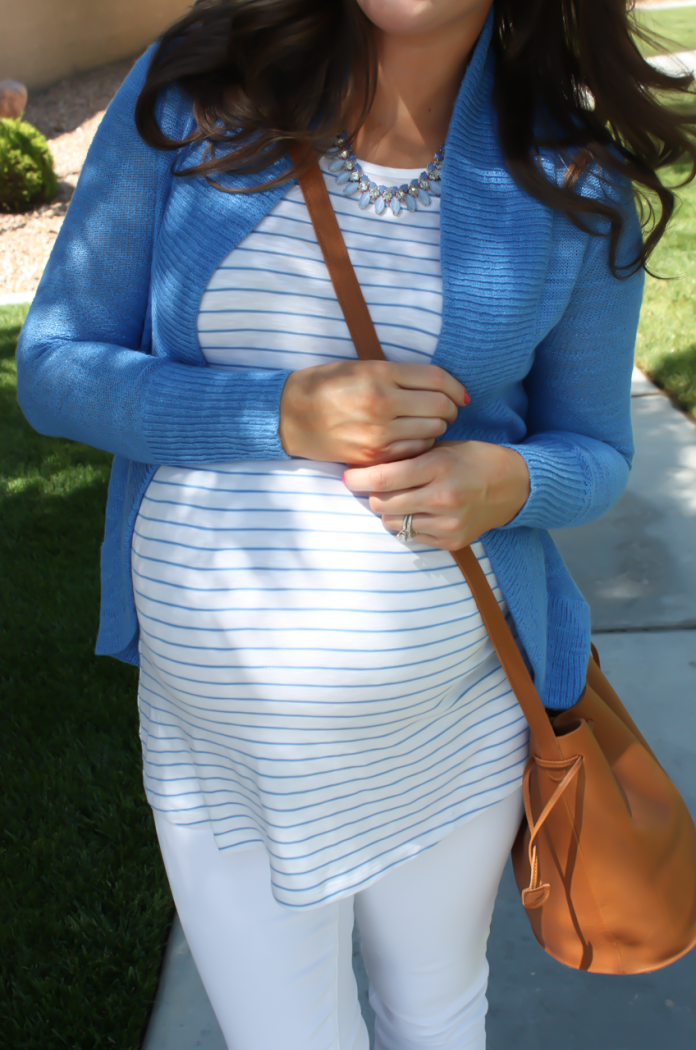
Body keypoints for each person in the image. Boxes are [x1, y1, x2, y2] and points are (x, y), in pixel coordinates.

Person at [16, 1, 696, 1047]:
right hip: (220, 747)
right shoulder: (195, 99)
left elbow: (596, 454)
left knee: (435, 1014)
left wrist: (507, 481)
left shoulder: (571, 185)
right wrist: (278, 413)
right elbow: (56, 370)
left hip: (452, 729)